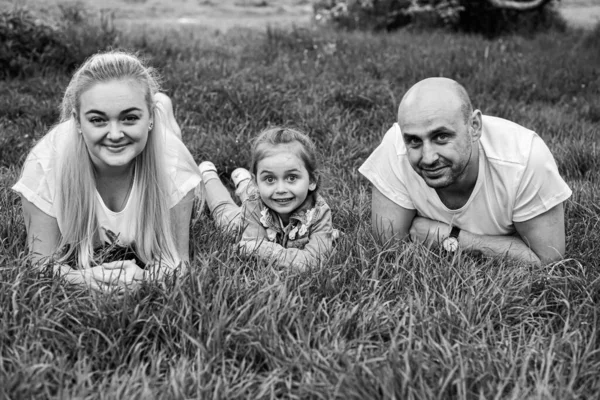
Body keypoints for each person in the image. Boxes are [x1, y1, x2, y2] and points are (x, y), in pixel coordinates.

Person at [12, 51, 201, 291]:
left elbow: (177, 265)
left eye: (129, 118)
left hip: (160, 142)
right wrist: (84, 279)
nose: (114, 135)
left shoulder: (174, 166)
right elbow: (41, 264)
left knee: (171, 135)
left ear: (149, 117)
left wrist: (144, 280)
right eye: (98, 120)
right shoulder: (44, 166)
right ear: (77, 122)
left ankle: (163, 109)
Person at [359, 77, 572, 265]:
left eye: (441, 137)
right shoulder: (396, 149)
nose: (428, 157)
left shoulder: (524, 160)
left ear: (474, 126)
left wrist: (451, 237)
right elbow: (388, 249)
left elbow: (547, 260)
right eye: (414, 141)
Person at [198, 127, 335, 271]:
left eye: (292, 178)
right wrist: (297, 258)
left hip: (262, 200)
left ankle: (243, 181)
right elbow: (251, 246)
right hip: (243, 220)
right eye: (270, 178)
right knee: (224, 212)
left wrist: (268, 251)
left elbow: (316, 261)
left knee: (264, 193)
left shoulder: (319, 212)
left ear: (312, 180)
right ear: (256, 182)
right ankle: (208, 175)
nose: (281, 189)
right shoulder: (253, 204)